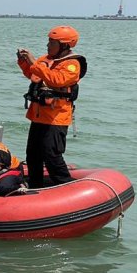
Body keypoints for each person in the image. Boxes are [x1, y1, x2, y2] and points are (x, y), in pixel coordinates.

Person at [16, 25, 87, 189]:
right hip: (38, 115)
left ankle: (67, 187)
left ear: (64, 45)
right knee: (33, 155)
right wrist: (24, 62)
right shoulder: (45, 59)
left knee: (52, 155)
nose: (48, 45)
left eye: (52, 42)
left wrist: (34, 62)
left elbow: (57, 80)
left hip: (57, 118)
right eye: (48, 41)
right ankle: (35, 186)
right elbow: (34, 75)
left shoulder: (72, 64)